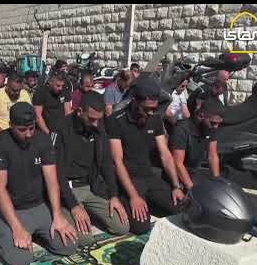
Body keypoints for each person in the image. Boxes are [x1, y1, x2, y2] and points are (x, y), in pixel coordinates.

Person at [0, 102, 78, 265]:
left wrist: (57, 215)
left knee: (69, 245)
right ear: (11, 125)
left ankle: (34, 232)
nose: (28, 134)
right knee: (21, 261)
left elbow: (52, 181)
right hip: (10, 208)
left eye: (31, 128)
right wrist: (16, 227)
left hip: (37, 204)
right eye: (22, 130)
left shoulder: (43, 139)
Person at [105, 77, 186, 234]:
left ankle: (151, 201)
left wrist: (176, 186)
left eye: (153, 109)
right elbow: (117, 162)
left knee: (182, 210)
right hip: (128, 179)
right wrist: (134, 196)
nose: (150, 112)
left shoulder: (154, 119)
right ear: (134, 101)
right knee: (141, 226)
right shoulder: (115, 120)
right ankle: (135, 201)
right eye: (146, 108)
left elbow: (166, 156)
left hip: (149, 176)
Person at [55, 92, 129, 239]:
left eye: (98, 120)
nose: (95, 124)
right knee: (84, 239)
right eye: (91, 119)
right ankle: (68, 212)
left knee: (122, 227)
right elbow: (56, 174)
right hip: (67, 190)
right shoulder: (61, 129)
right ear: (79, 111)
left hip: (90, 186)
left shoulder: (98, 127)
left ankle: (86, 212)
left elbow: (106, 163)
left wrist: (114, 195)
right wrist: (74, 206)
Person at [170, 98, 225, 191]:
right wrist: (192, 190)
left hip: (194, 172)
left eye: (219, 124)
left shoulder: (211, 128)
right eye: (213, 123)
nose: (216, 127)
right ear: (201, 116)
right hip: (176, 174)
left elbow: (212, 155)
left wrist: (217, 183)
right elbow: (177, 163)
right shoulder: (182, 129)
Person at [0, 72, 31, 136]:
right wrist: (4, 138)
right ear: (7, 86)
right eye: (13, 90)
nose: (17, 93)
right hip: (4, 133)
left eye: (19, 90)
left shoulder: (24, 94)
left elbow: (29, 115)